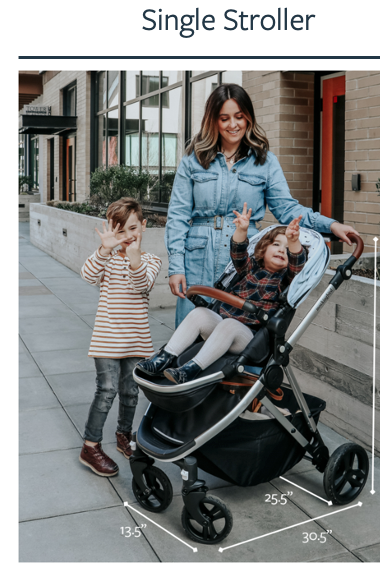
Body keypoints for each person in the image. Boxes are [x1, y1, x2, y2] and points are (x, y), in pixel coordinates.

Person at [166, 83, 359, 327]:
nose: (233, 125)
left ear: (248, 117)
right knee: (190, 331)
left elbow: (288, 209)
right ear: (213, 120)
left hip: (244, 259)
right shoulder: (193, 159)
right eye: (224, 118)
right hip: (197, 257)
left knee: (232, 335)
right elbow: (177, 216)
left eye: (239, 116)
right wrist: (175, 266)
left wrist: (331, 225)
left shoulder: (265, 161)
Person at [139, 206, 306, 384]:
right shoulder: (249, 269)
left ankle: (190, 369)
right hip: (221, 326)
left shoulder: (284, 281)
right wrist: (241, 230)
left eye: (287, 249)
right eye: (276, 244)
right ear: (263, 249)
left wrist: (294, 241)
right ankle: (164, 358)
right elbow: (238, 254)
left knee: (229, 324)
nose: (282, 250)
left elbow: (297, 266)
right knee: (199, 313)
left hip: (249, 337)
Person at [78, 198, 161, 477]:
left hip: (136, 340)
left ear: (144, 226)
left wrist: (134, 255)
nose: (127, 236)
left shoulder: (150, 261)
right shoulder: (107, 259)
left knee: (130, 392)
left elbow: (142, 284)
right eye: (120, 231)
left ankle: (124, 434)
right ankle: (91, 446)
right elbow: (88, 275)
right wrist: (104, 248)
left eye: (133, 228)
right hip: (107, 339)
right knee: (106, 391)